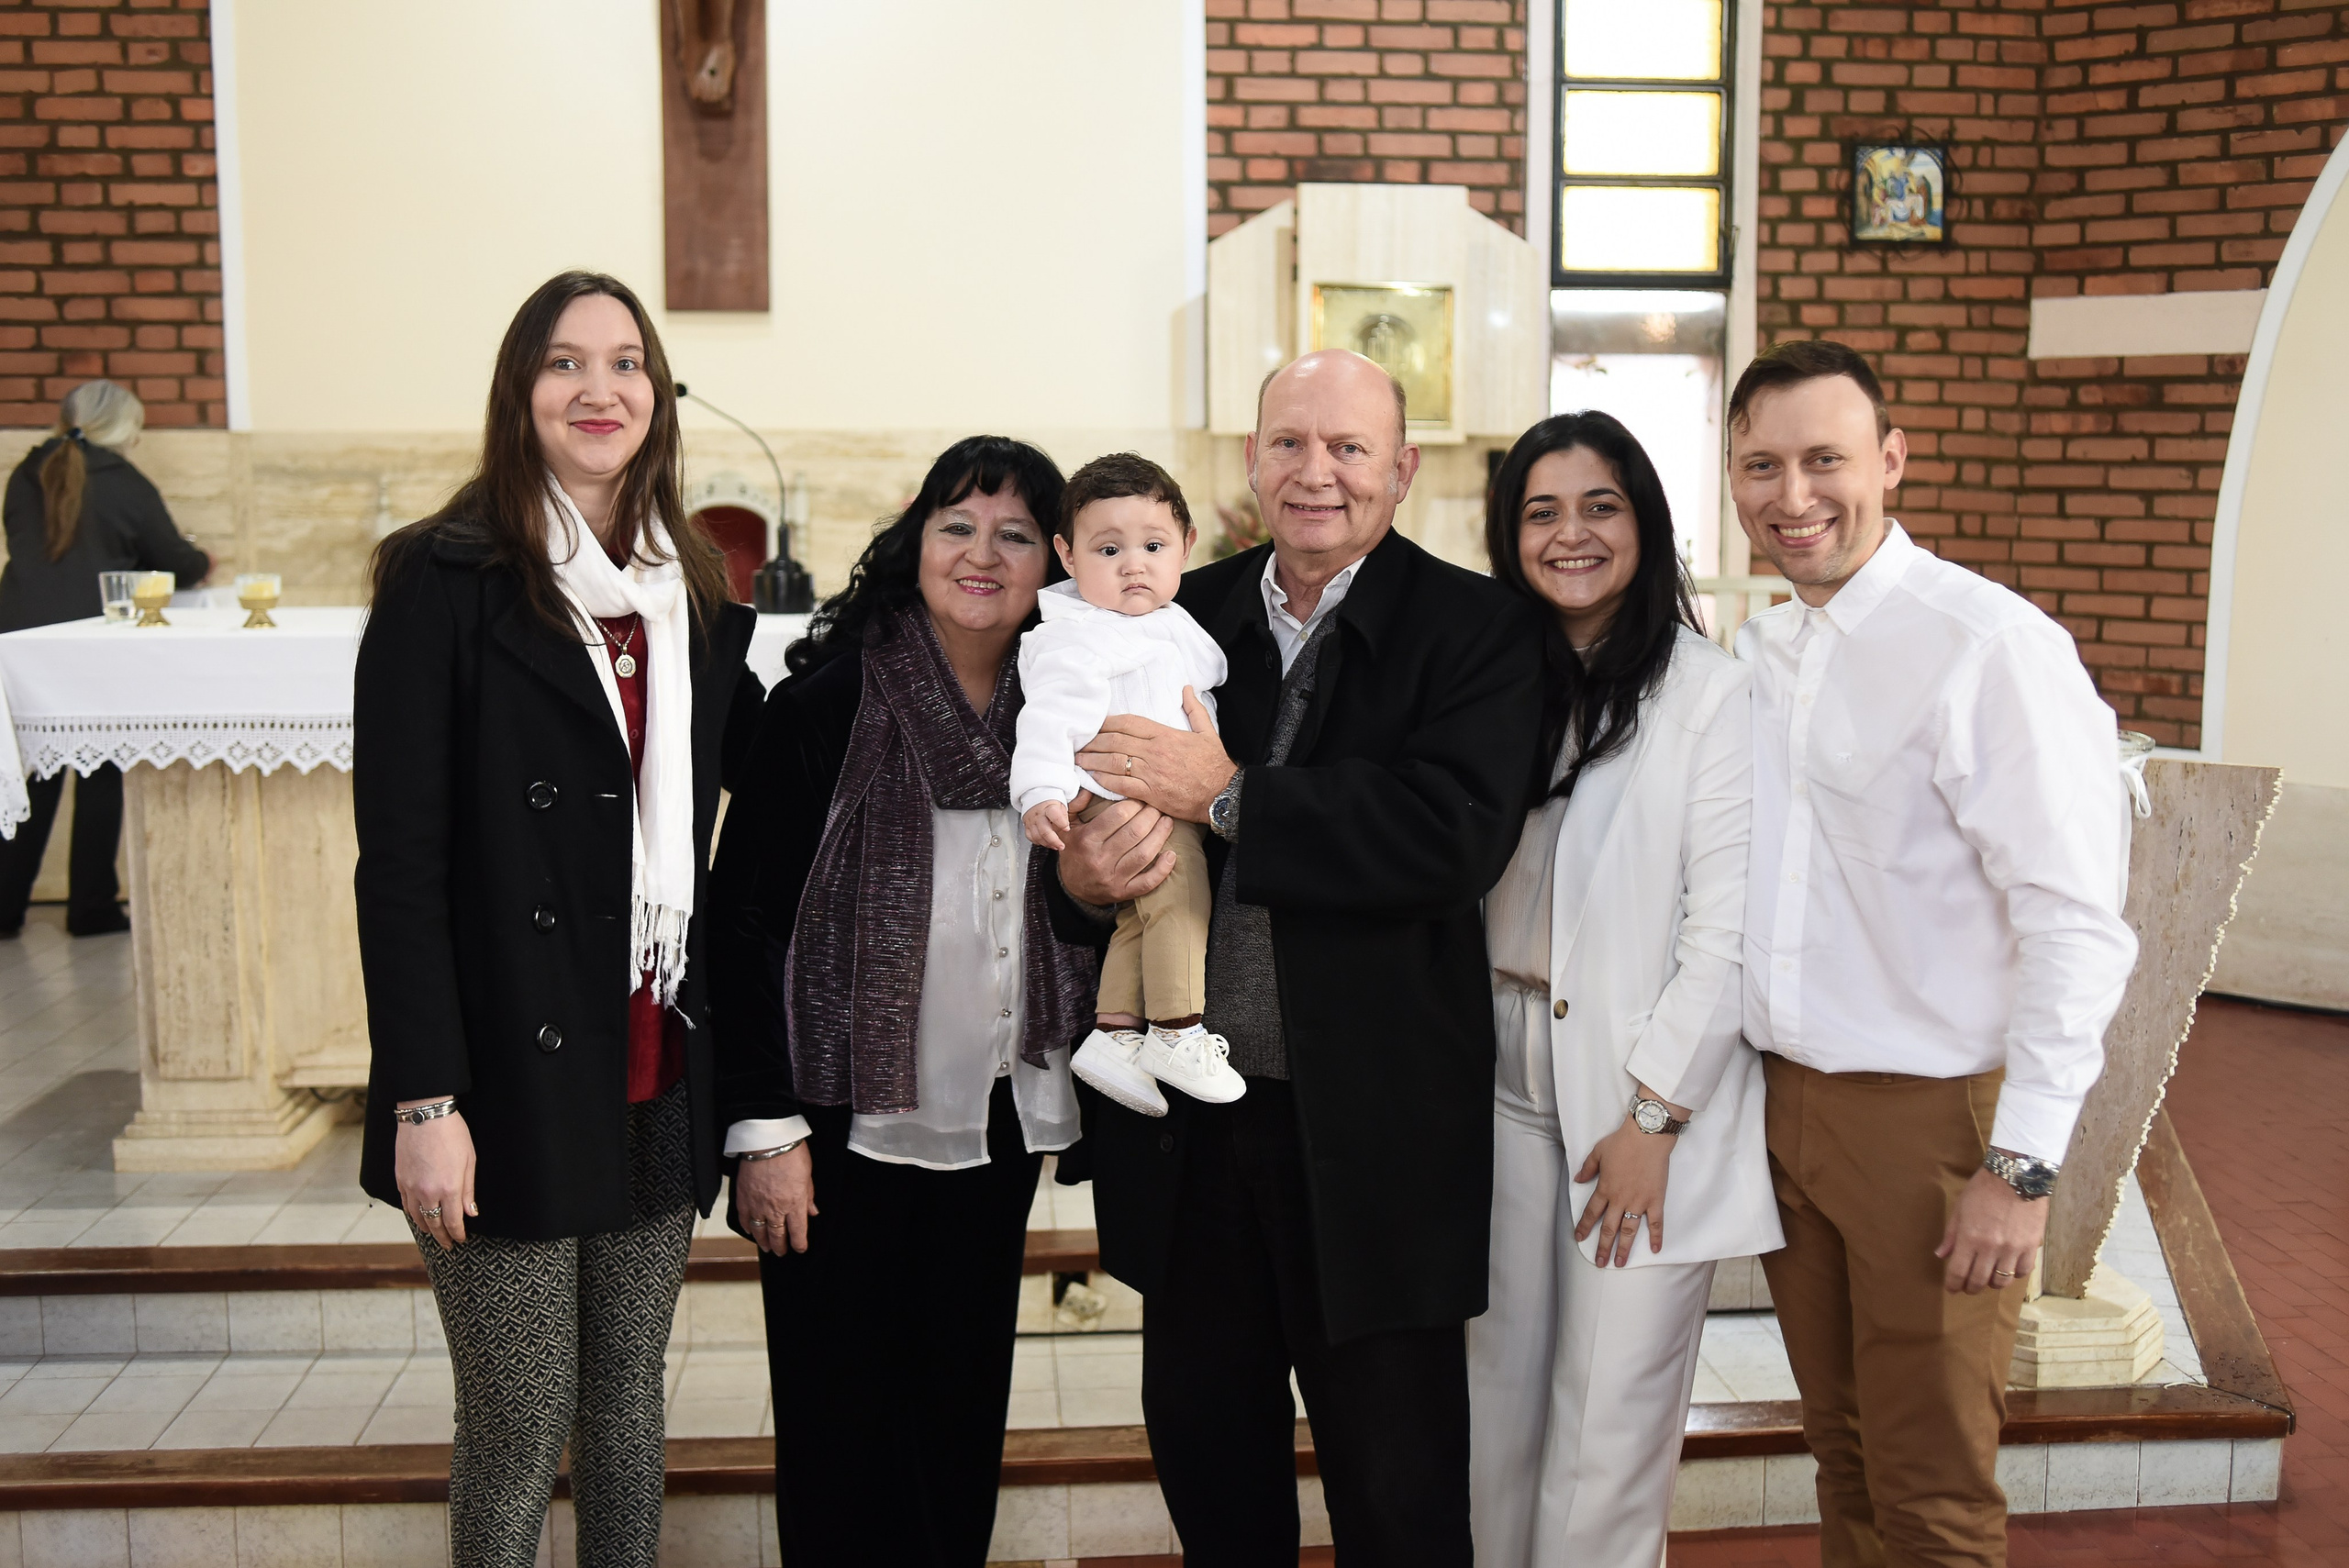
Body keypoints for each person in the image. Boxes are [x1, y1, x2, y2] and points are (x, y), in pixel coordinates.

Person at [1052, 350, 1545, 1565]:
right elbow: (1086, 788)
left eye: (1348, 447)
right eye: (1289, 443)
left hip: (1371, 1138)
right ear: (1250, 459)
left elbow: (1449, 837)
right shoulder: (1178, 608)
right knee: (1213, 1474)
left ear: (1403, 469)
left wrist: (1231, 796)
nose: (1316, 472)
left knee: (1398, 1497)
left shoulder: (1476, 628)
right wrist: (1079, 873)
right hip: (1193, 1131)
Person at [352, 271, 758, 1568]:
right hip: (503, 1077)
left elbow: (765, 775)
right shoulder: (444, 576)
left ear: (658, 394)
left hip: (652, 1053)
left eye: (626, 362)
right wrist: (424, 1102)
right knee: (522, 1420)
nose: (600, 389)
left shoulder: (690, 592)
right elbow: (399, 867)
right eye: (566, 362)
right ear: (520, 390)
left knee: (628, 1405)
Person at [1729, 339, 2137, 1566]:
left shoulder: (1986, 644)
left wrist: (2021, 1164)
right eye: (1761, 466)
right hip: (1788, 1105)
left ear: (1891, 460)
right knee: (1843, 1451)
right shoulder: (1767, 650)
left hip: (1931, 1123)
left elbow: (2075, 917)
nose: (1793, 496)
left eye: (1825, 459)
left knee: (1933, 1487)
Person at [708, 436, 1100, 1567]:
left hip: (995, 1116)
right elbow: (742, 923)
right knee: (839, 1423)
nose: (982, 553)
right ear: (914, 542)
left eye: (1014, 534)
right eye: (956, 525)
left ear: (1053, 563)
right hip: (837, 1119)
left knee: (959, 1411)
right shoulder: (828, 704)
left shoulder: (1064, 714)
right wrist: (764, 1126)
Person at [1467, 411, 1783, 1566]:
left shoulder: (1711, 693)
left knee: (1608, 1420)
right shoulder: (1490, 680)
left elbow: (1727, 931)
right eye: (1541, 512)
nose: (1572, 533)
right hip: (1494, 1070)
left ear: (1644, 521)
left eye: (1600, 505)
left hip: (1634, 1084)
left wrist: (1655, 1115)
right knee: (1490, 1404)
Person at [1012, 451, 1238, 1114]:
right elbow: (1046, 719)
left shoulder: (1167, 619)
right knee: (1181, 901)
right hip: (1126, 803)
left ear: (1186, 546)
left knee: (1138, 917)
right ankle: (1176, 1029)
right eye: (1109, 549)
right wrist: (1040, 792)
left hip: (1168, 795)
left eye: (1153, 546)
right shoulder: (1076, 637)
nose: (1133, 564)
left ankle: (1114, 1035)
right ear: (1068, 555)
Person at [0, 380, 209, 939]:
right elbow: (174, 561)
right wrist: (202, 559)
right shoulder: (123, 481)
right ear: (123, 428)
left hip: (20, 635)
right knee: (101, 767)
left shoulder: (26, 473)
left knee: (35, 771)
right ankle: (91, 906)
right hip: (94, 637)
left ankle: (5, 905)